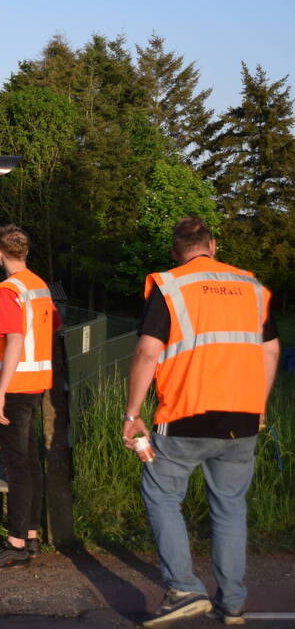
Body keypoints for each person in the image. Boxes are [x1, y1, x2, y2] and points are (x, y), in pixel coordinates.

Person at [124, 216, 280, 628]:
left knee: (161, 494)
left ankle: (183, 589)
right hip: (243, 417)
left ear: (177, 252)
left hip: (186, 414)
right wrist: (259, 406)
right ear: (213, 244)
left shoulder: (172, 285)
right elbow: (270, 352)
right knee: (230, 508)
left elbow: (146, 353)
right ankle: (233, 603)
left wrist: (132, 414)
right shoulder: (252, 287)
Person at [0, 224, 59, 569]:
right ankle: (30, 534)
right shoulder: (39, 286)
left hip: (15, 386)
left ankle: (15, 541)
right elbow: (53, 326)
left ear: (0, 254)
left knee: (17, 466)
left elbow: (13, 339)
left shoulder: (6, 290)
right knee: (29, 462)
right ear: (24, 253)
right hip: (38, 383)